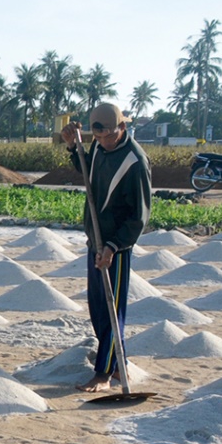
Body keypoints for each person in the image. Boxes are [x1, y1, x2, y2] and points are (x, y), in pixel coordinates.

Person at [61, 102, 152, 393]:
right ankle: (117, 364)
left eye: (107, 136)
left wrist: (112, 247)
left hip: (116, 246)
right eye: (96, 138)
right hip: (95, 239)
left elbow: (138, 217)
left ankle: (103, 373)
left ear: (122, 128)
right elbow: (87, 174)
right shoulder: (100, 148)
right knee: (99, 309)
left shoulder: (134, 162)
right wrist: (75, 148)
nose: (101, 142)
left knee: (113, 309)